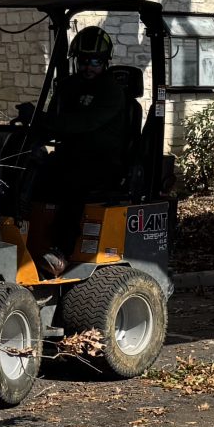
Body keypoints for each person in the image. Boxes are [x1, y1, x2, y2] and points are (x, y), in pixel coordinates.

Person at [38, 24, 137, 270]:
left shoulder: (111, 92)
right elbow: (54, 120)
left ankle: (62, 251)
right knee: (25, 171)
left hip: (104, 162)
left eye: (95, 62)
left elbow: (84, 123)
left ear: (105, 62)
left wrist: (45, 121)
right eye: (83, 61)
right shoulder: (68, 87)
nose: (88, 67)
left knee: (73, 181)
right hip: (70, 155)